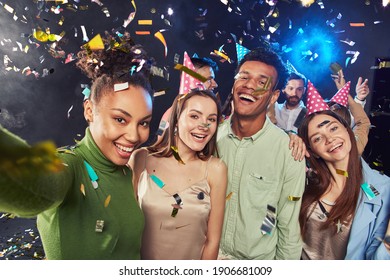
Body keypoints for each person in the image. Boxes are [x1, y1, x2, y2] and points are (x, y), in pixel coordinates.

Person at [0, 33, 154, 259]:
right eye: (120, 119)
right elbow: (33, 183)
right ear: (89, 110)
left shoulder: (124, 171)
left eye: (144, 123)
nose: (133, 135)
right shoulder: (69, 165)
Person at [217, 47, 306, 260]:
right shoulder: (211, 138)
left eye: (261, 82)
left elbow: (288, 225)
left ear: (274, 96)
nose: (249, 86)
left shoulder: (288, 152)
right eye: (244, 77)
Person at [130, 89, 227, 260]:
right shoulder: (141, 158)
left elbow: (212, 241)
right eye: (194, 116)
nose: (204, 126)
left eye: (211, 119)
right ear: (176, 120)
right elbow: (125, 227)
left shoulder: (216, 169)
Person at [298, 84, 390, 260]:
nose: (329, 139)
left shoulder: (382, 190)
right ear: (312, 150)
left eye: (333, 128)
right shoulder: (303, 183)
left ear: (348, 130)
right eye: (317, 138)